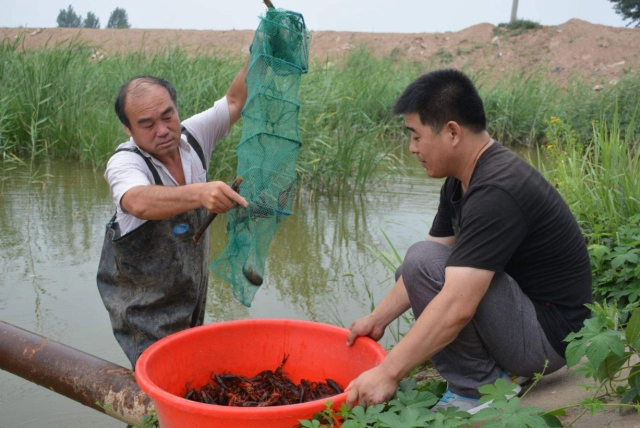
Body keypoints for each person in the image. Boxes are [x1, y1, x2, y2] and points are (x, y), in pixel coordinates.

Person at [345, 68, 593, 414]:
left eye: (416, 136)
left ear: (452, 133)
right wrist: (378, 318)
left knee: (423, 264)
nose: (412, 148)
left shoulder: (496, 189)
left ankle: (478, 389)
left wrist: (388, 372)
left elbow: (457, 304)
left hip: (549, 338)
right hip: (523, 316)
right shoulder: (462, 180)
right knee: (416, 265)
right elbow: (424, 266)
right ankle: (497, 373)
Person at [97, 60, 249, 368]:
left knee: (190, 374)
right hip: (144, 316)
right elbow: (138, 201)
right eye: (147, 124)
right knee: (159, 387)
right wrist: (200, 193)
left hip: (190, 298)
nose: (163, 130)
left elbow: (235, 101)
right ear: (128, 129)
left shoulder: (192, 138)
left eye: (168, 116)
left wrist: (260, 48)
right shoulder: (126, 163)